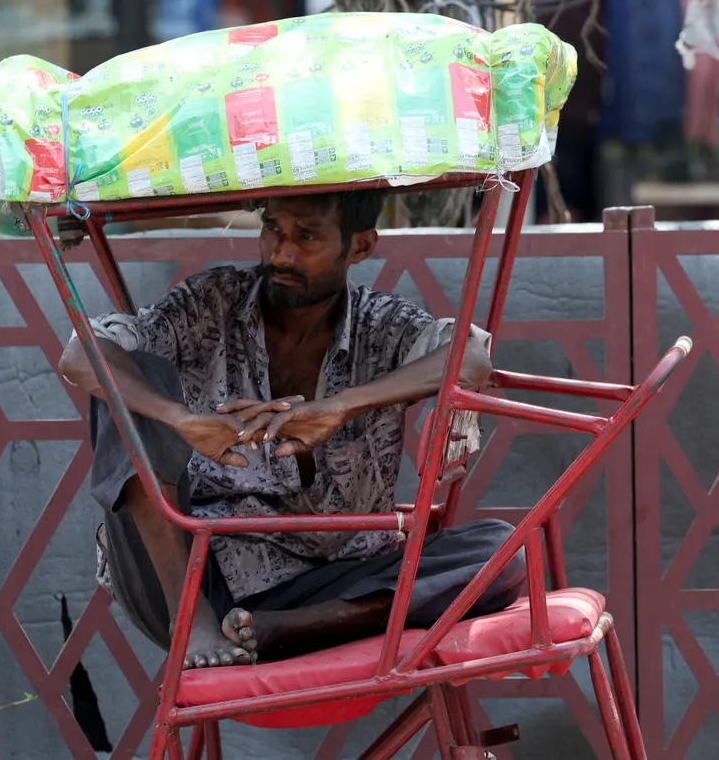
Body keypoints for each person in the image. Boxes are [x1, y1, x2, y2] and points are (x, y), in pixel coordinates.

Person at [58, 189, 526, 669]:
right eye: (273, 231)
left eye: (306, 237)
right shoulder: (212, 302)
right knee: (120, 383)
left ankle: (290, 630)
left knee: (503, 550)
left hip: (333, 580)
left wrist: (340, 407)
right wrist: (182, 420)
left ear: (359, 247)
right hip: (198, 574)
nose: (281, 253)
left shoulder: (383, 326)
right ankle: (192, 623)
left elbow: (471, 358)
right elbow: (80, 354)